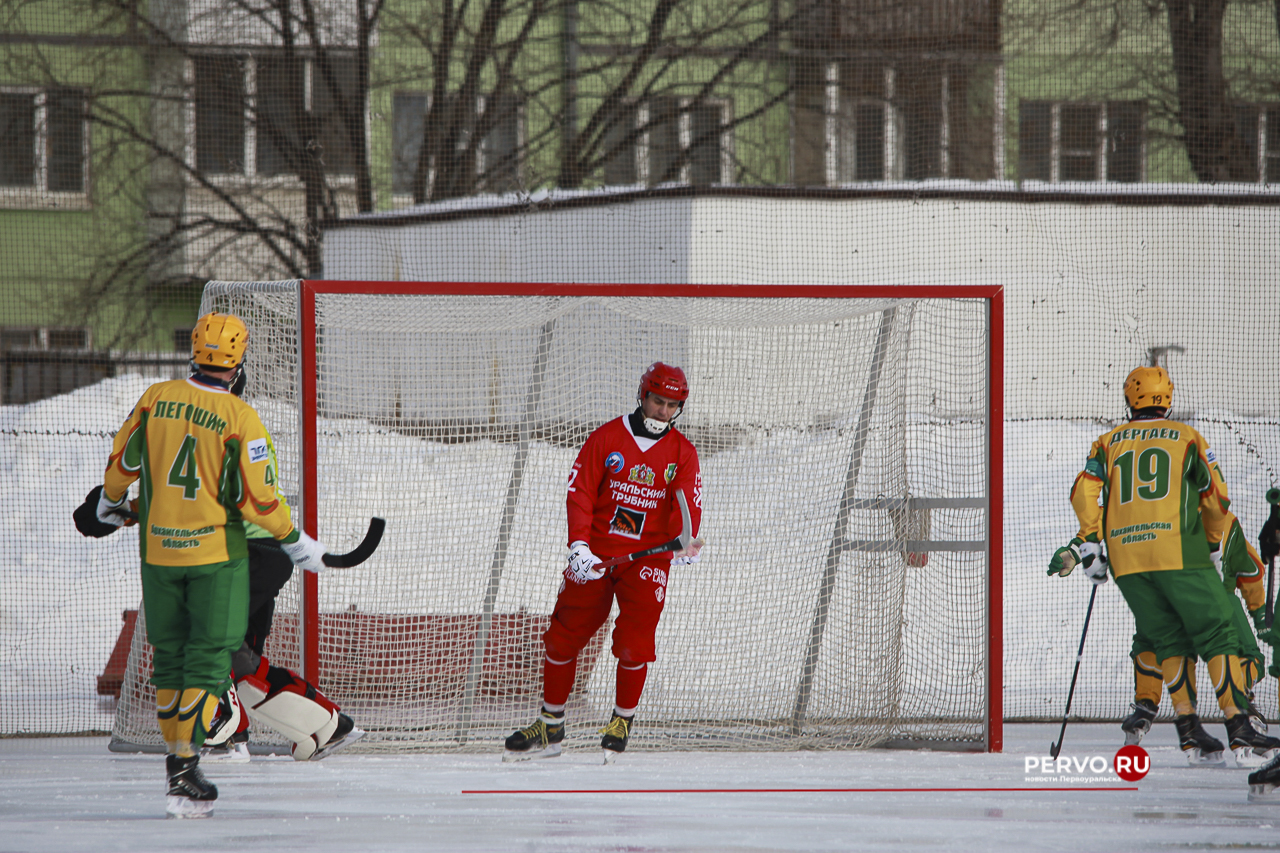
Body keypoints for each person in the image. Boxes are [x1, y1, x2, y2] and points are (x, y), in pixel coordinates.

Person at [93, 312, 328, 817]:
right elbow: (259, 501)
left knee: (171, 662)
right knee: (208, 659)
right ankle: (185, 763)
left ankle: (185, 765)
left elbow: (122, 464)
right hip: (214, 558)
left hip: (158, 555)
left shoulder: (157, 398)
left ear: (194, 351)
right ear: (239, 360)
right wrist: (295, 540)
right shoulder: (241, 418)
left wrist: (112, 503)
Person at [1048, 366, 1279, 766]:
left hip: (1127, 562)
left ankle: (1190, 732)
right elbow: (1216, 497)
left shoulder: (1108, 442)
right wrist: (1210, 544)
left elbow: (1083, 491)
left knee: (1167, 640)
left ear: (1130, 401)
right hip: (1178, 553)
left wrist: (1089, 544)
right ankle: (1241, 731)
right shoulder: (1187, 438)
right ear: (1166, 400)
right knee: (1220, 633)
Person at [503, 362, 704, 763]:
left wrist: (683, 541)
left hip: (647, 559)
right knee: (562, 636)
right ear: (642, 396)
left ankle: (621, 720)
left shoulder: (683, 452)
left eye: (672, 405)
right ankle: (550, 726)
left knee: (634, 643)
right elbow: (580, 493)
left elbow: (688, 502)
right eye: (658, 401)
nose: (664, 412)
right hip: (596, 557)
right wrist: (579, 547)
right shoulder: (606, 437)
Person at [1119, 511, 1271, 766]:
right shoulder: (1226, 520)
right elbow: (1251, 570)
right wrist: (1259, 611)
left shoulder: (1156, 515)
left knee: (1155, 643)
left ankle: (1145, 707)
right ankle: (1241, 709)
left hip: (1169, 603)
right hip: (1217, 603)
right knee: (1246, 655)